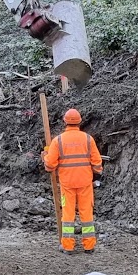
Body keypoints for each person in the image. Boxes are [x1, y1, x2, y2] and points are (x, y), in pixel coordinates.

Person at [44, 107, 103, 253]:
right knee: (86, 213)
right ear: (79, 122)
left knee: (68, 214)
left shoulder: (58, 141)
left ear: (65, 122)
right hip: (84, 182)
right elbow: (97, 162)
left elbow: (50, 165)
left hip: (67, 183)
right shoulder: (88, 139)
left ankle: (68, 246)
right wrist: (96, 172)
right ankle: (89, 246)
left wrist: (45, 157)